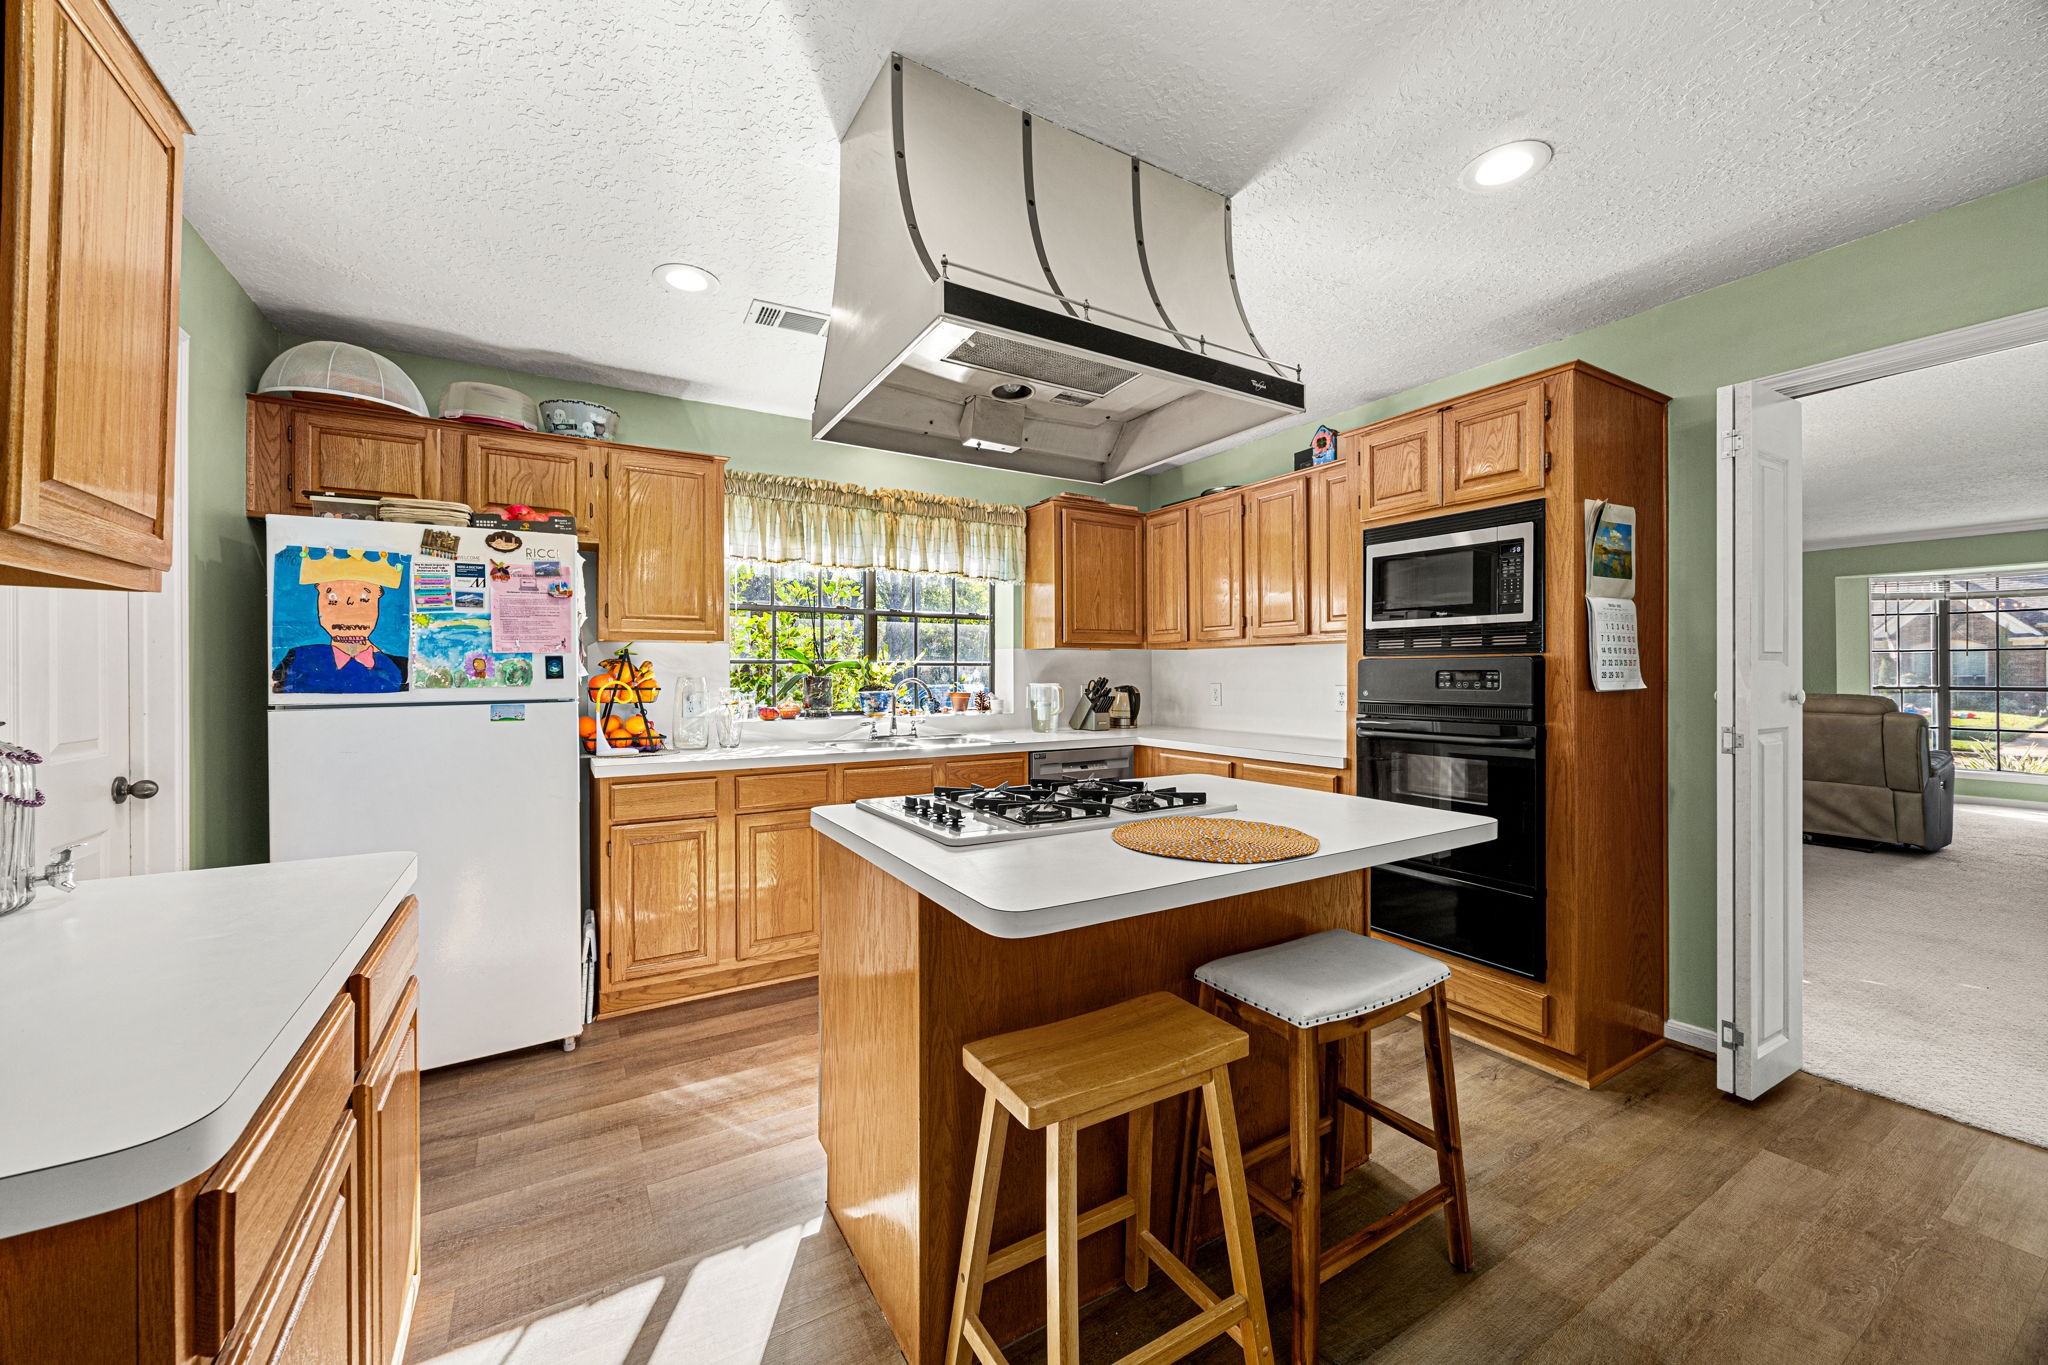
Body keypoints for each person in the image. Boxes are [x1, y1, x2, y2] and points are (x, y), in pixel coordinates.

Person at [272, 548, 409, 693]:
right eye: (333, 599)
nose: (349, 610)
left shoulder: (399, 668)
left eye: (363, 598)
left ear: (378, 598)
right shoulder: (297, 660)